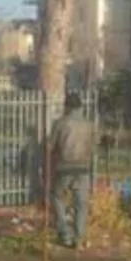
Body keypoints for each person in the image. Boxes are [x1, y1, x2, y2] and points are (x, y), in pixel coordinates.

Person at [49, 92, 95, 249]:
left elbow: (50, 147)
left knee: (57, 197)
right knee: (81, 203)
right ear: (81, 107)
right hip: (83, 167)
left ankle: (65, 233)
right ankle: (80, 238)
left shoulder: (60, 123)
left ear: (66, 107)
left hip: (64, 166)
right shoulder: (89, 124)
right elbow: (94, 146)